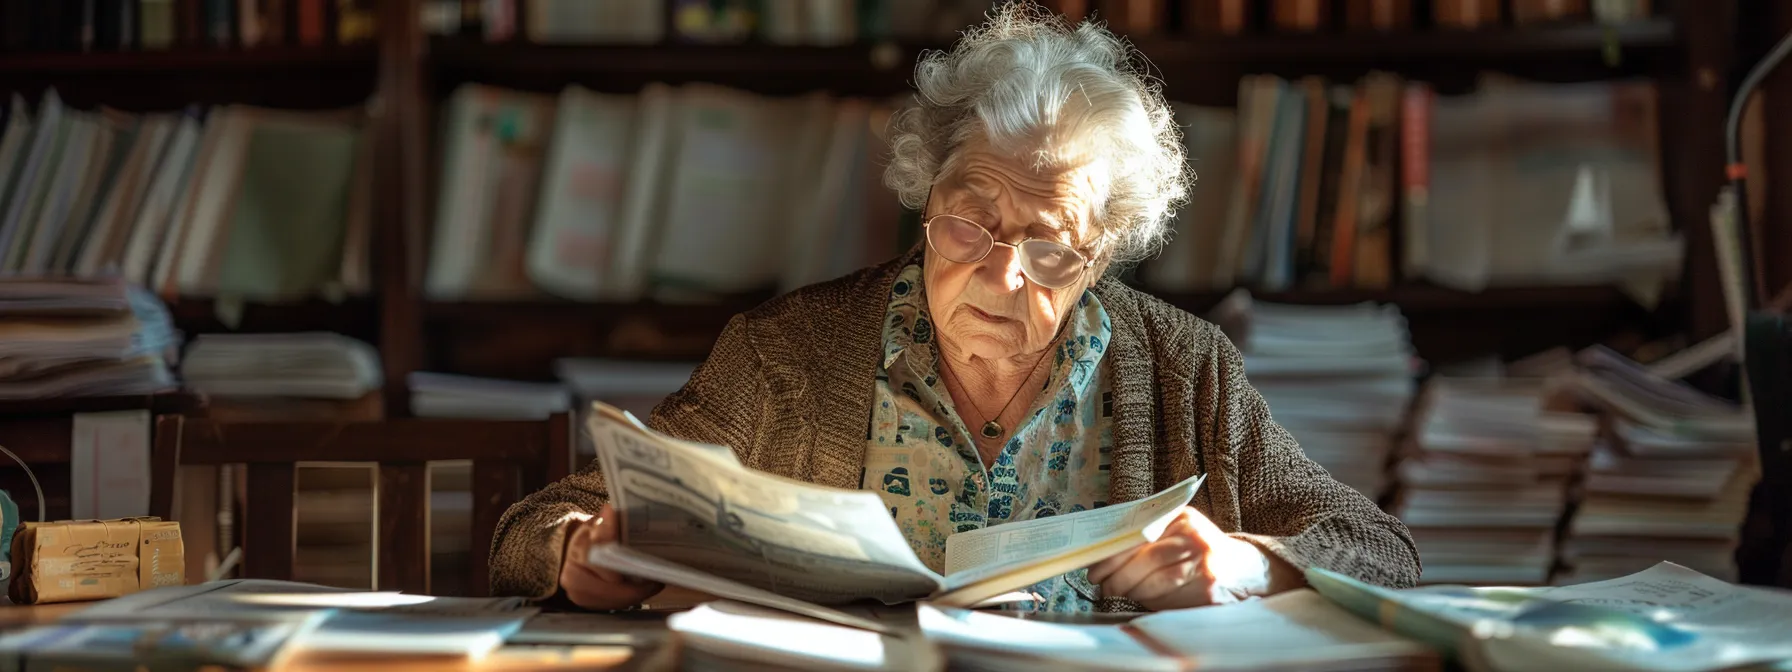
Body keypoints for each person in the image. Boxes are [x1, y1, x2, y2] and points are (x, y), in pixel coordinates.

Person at [489, 2, 1420, 614]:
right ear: (925, 195)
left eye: (1050, 246)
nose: (1002, 275)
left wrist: (1249, 566)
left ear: (1102, 254)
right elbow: (532, 529)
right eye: (970, 223)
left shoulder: (1186, 368)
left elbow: (1381, 550)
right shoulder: (789, 354)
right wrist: (583, 555)